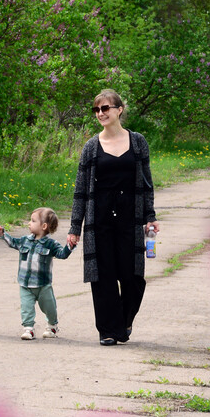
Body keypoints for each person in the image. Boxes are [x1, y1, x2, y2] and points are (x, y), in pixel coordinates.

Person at [68, 90, 159, 346]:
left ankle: (125, 320)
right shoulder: (91, 146)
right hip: (100, 220)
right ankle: (108, 330)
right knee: (103, 276)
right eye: (96, 110)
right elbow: (81, 189)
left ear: (119, 109)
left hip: (131, 218)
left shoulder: (138, 141)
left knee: (133, 277)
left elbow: (147, 183)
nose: (101, 113)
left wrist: (150, 216)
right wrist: (75, 226)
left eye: (105, 108)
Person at [0, 207, 74, 341]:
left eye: (33, 221)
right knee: (26, 308)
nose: (29, 223)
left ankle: (52, 325)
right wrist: (2, 234)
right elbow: (12, 242)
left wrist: (69, 246)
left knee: (50, 307)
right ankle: (28, 329)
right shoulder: (25, 240)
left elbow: (62, 254)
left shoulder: (51, 244)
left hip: (43, 285)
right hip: (25, 283)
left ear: (44, 226)